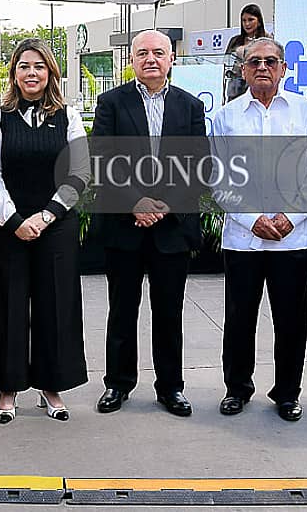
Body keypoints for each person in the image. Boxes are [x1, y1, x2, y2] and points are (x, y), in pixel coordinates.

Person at [91, 29, 206, 417]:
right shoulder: (111, 103)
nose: (151, 59)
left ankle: (171, 387)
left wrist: (165, 205)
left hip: (172, 228)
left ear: (172, 58)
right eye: (143, 53)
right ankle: (117, 385)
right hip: (124, 226)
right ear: (133, 60)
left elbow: (197, 165)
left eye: (159, 52)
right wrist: (135, 202)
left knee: (169, 312)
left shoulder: (189, 107)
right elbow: (102, 159)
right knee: (122, 310)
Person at [211, 37, 307, 422]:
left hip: (293, 238)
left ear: (283, 68)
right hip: (243, 238)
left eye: (270, 61)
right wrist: (252, 218)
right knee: (239, 319)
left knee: (291, 321)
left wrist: (290, 217)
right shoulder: (227, 117)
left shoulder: (306, 112)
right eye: (254, 61)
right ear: (243, 70)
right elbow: (217, 175)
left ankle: (287, 393)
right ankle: (237, 388)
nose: (262, 67)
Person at [0, 38, 89, 423]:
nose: (31, 73)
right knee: (7, 305)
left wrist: (45, 217)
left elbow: (79, 173)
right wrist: (13, 220)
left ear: (50, 73)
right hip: (9, 226)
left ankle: (51, 386)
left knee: (54, 305)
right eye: (24, 66)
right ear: (14, 73)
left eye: (39, 67)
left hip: (55, 224)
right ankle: (8, 389)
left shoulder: (68, 117)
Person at [224, 4, 268, 100]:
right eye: (244, 20)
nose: (247, 24)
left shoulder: (266, 40)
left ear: (259, 21)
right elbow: (226, 61)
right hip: (235, 87)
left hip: (258, 86)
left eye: (251, 20)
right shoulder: (235, 40)